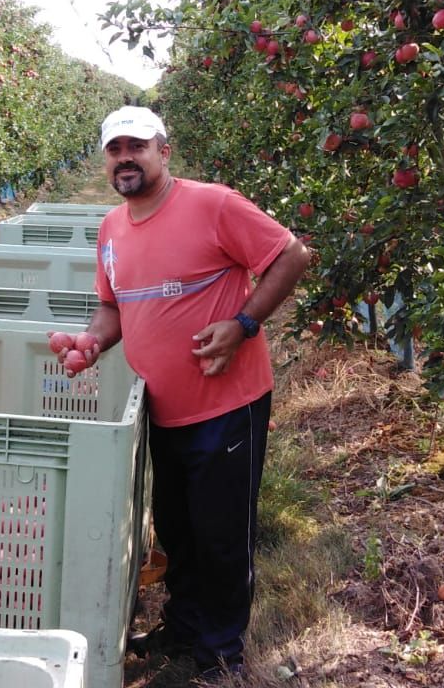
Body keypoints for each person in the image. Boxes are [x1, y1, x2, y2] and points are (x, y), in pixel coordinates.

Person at [54, 106, 310, 682]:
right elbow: (112, 308)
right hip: (160, 408)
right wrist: (91, 343)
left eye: (137, 146)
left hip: (226, 404)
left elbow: (292, 255)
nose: (125, 158)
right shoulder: (112, 227)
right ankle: (185, 626)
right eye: (115, 149)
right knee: (177, 528)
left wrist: (243, 324)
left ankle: (221, 653)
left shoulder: (213, 205)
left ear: (163, 152)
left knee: (222, 533)